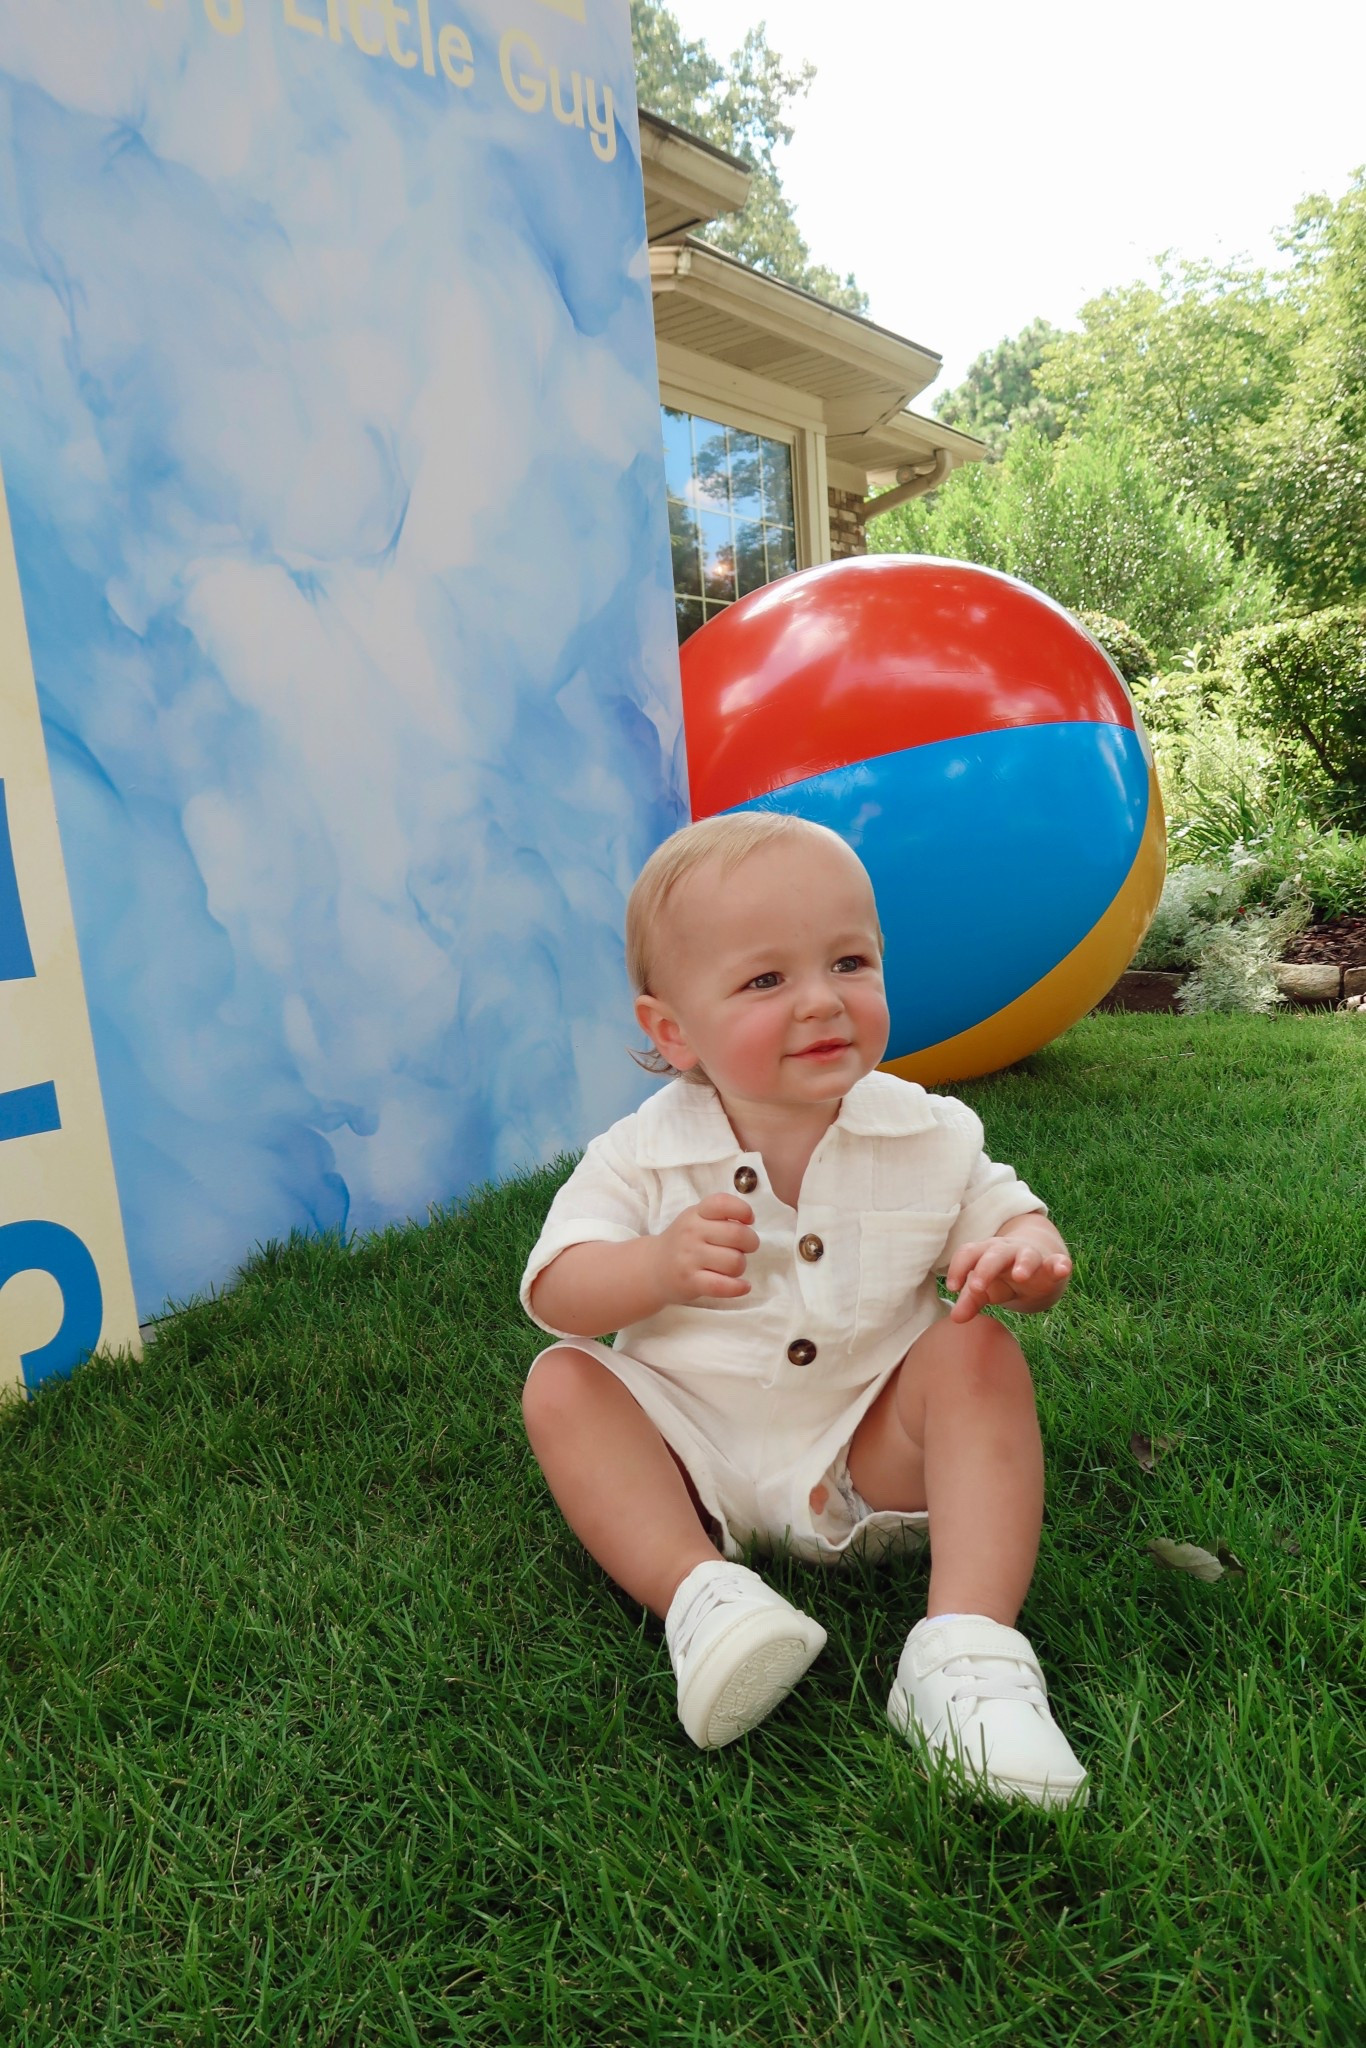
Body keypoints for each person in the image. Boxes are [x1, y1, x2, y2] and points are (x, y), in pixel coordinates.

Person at [519, 812, 1087, 1807]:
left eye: (849, 961)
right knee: (563, 1383)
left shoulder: (928, 1128)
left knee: (977, 1355)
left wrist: (1025, 1254)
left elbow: (1005, 1206)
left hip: (860, 1461)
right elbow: (558, 1289)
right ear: (671, 1029)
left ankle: (964, 1653)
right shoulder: (637, 1154)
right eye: (765, 979)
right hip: (685, 1453)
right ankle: (703, 1594)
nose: (822, 1000)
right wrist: (651, 1265)